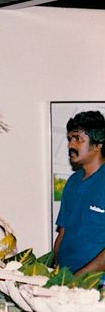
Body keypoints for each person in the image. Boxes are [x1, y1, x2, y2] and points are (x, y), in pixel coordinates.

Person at [54, 110, 105, 275]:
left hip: (96, 285)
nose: (70, 145)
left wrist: (77, 278)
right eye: (69, 139)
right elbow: (62, 234)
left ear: (98, 144)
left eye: (78, 139)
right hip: (66, 281)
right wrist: (57, 273)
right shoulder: (72, 182)